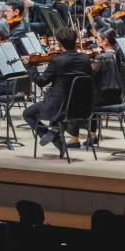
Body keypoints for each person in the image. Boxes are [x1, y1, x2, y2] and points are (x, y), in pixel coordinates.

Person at [22, 27, 92, 156]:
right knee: (56, 98)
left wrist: (30, 67)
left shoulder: (57, 60)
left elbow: (41, 82)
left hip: (58, 107)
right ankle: (54, 130)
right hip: (79, 107)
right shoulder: (85, 59)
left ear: (59, 43)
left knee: (28, 113)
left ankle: (54, 137)